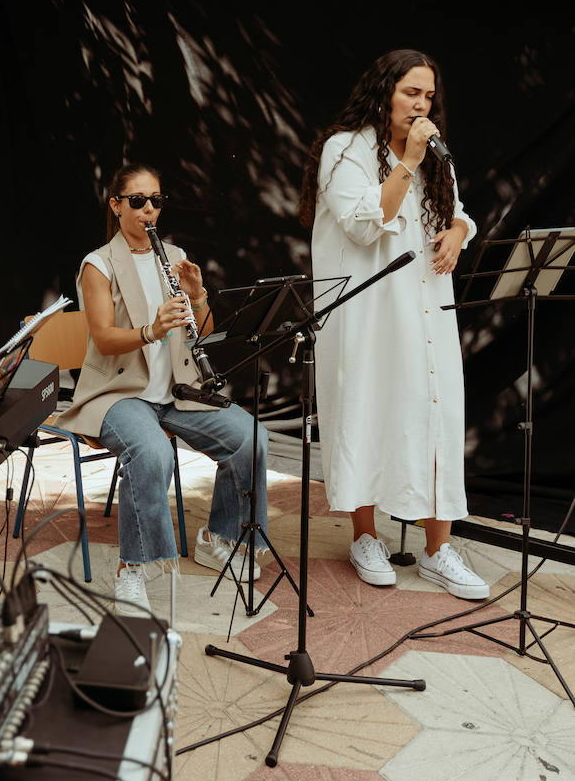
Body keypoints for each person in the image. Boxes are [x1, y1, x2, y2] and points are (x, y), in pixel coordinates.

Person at [298, 48, 488, 600]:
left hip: (428, 307)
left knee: (436, 416)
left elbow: (459, 211)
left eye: (429, 96)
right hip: (369, 314)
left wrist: (459, 232)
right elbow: (364, 224)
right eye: (411, 92)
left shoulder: (434, 155)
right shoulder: (345, 150)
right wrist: (407, 158)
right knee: (367, 410)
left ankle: (437, 551)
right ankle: (364, 537)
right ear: (384, 91)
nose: (421, 104)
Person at [57, 162, 271, 614]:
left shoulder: (173, 255)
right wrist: (151, 330)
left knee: (252, 438)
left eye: (156, 200)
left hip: (178, 391)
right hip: (119, 394)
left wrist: (198, 297)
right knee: (152, 452)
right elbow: (101, 338)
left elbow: (202, 331)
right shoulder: (99, 264)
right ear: (116, 206)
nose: (149, 209)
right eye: (137, 201)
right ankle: (132, 567)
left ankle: (220, 538)